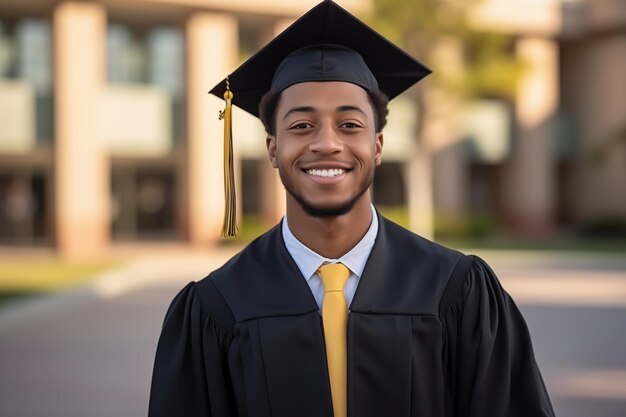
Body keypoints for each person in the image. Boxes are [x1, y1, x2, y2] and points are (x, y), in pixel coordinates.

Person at [148, 1, 555, 416]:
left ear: (377, 146)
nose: (327, 143)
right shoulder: (218, 307)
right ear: (273, 149)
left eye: (350, 125)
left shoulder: (455, 292)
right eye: (302, 126)